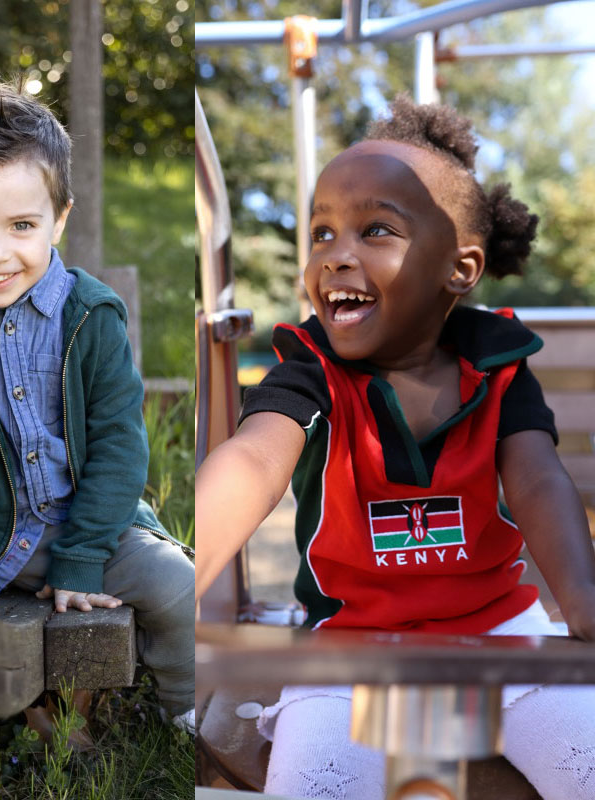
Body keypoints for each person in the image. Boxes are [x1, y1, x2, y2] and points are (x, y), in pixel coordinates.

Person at [195, 95, 595, 798]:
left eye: (374, 230)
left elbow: (536, 482)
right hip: (350, 656)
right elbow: (254, 460)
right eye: (321, 233)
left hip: (502, 642)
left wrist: (584, 597)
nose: (336, 256)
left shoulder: (497, 364)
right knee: (314, 785)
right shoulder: (312, 367)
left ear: (460, 269)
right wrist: (188, 569)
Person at [0, 80, 194, 731]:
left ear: (59, 218)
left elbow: (118, 447)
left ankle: (188, 708)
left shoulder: (93, 315)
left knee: (178, 584)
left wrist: (83, 555)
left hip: (81, 527)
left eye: (21, 226)